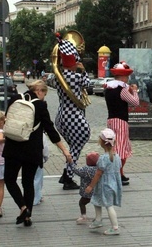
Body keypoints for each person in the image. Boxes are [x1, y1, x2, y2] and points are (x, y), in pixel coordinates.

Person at [3, 80, 73, 227]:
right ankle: (28, 216)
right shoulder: (40, 105)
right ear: (39, 90)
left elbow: (7, 119)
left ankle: (22, 208)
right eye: (44, 94)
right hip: (32, 150)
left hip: (13, 147)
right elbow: (50, 129)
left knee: (10, 180)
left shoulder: (15, 99)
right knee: (28, 183)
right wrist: (64, 150)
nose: (44, 97)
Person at [55, 32, 92, 190]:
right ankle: (69, 177)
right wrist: (82, 71)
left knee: (73, 148)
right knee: (77, 146)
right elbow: (88, 84)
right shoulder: (73, 76)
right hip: (73, 116)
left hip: (62, 115)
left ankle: (66, 173)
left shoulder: (59, 75)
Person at [104, 61, 139, 186]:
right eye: (127, 77)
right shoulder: (122, 89)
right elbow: (135, 102)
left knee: (113, 147)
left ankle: (120, 173)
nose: (128, 79)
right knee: (122, 149)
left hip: (111, 120)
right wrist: (134, 91)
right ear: (123, 77)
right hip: (121, 121)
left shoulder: (108, 88)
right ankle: (117, 173)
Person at [85, 129, 122, 235]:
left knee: (109, 206)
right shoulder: (117, 156)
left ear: (101, 142)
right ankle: (98, 220)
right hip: (113, 184)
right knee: (96, 200)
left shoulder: (103, 158)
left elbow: (98, 174)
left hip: (104, 185)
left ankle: (115, 227)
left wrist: (91, 186)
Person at [71, 151, 99, 225]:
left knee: (82, 203)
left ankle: (83, 216)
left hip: (87, 192)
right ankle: (98, 217)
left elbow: (75, 170)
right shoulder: (99, 169)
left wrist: (71, 163)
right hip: (97, 191)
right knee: (97, 205)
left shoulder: (85, 169)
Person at [33, 134, 49, 206]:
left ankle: (30, 197)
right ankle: (36, 198)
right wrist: (46, 157)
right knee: (37, 179)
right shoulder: (42, 135)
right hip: (38, 158)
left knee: (28, 179)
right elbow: (45, 148)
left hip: (25, 158)